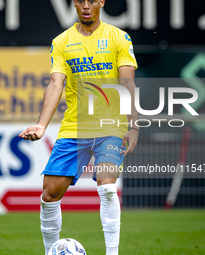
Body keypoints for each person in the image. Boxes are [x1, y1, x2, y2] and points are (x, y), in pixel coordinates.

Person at [19, 0, 139, 254]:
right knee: (50, 195)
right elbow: (55, 83)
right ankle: (51, 251)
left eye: (92, 0)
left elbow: (128, 82)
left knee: (107, 186)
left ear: (101, 2)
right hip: (75, 128)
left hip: (112, 126)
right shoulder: (62, 41)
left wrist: (134, 125)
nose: (86, 5)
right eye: (81, 0)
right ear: (74, 4)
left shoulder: (119, 37)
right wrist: (42, 125)